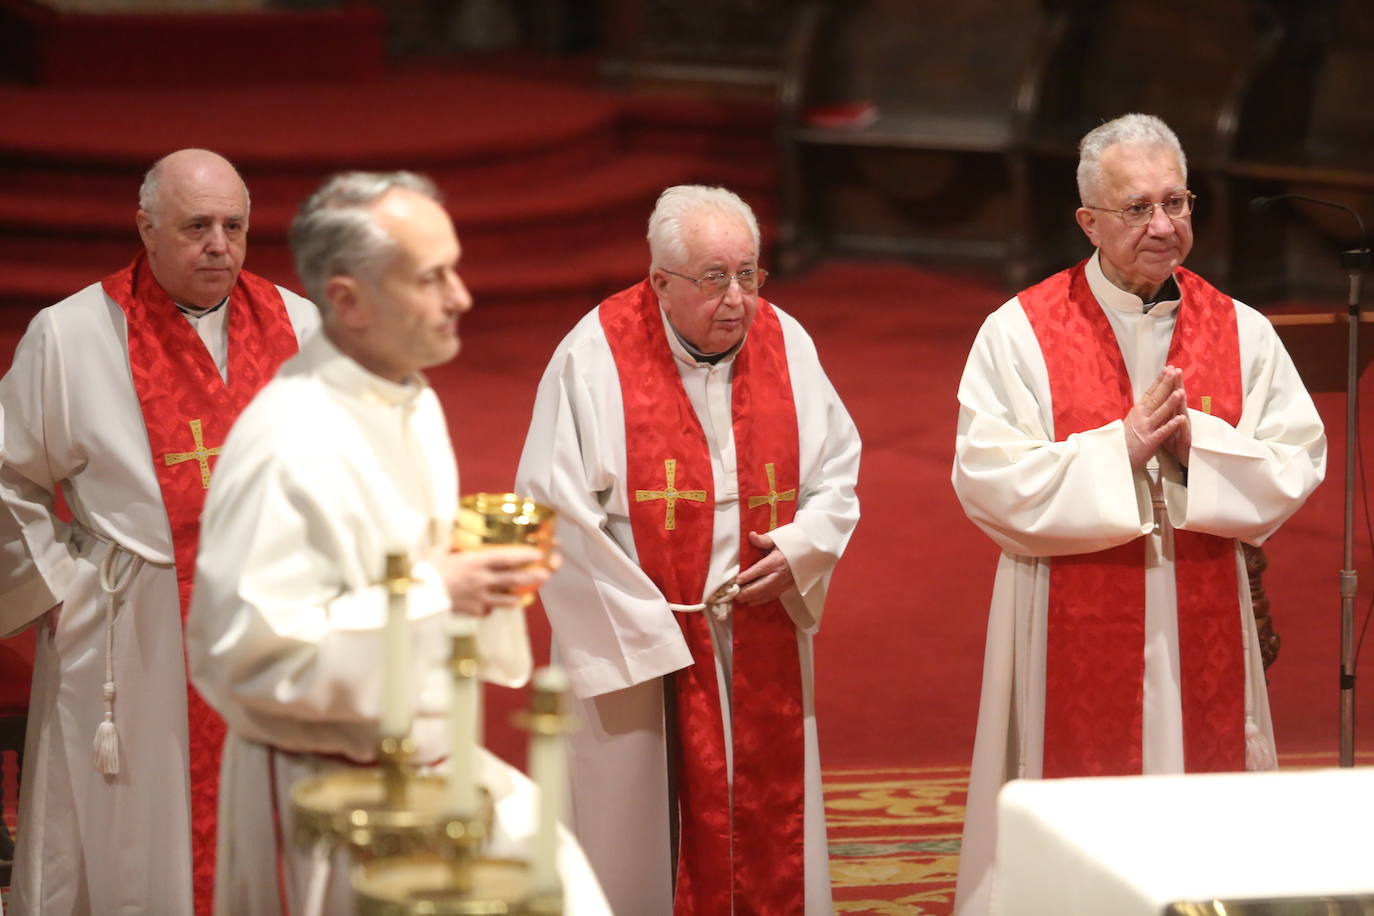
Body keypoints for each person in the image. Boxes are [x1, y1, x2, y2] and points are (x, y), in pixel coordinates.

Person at [186, 171, 610, 915]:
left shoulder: (408, 398)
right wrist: (438, 591)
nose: (461, 298)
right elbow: (245, 656)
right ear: (347, 300)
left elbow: (419, 573)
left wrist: (481, 582)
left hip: (433, 767)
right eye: (431, 278)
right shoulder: (288, 441)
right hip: (332, 801)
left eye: (455, 269)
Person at [950, 113, 1327, 915]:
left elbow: (1298, 459)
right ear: (1088, 221)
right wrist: (1113, 449)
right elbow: (986, 478)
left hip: (1203, 609)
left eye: (1177, 203)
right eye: (1137, 208)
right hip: (1068, 611)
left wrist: (1200, 450)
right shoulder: (1019, 332)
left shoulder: (1242, 330)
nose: (1163, 226)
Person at [515, 184, 861, 914]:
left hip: (756, 624)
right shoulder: (593, 356)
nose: (736, 298)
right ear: (661, 281)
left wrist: (800, 548)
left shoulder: (787, 341)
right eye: (713, 278)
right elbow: (554, 512)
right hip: (643, 639)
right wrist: (654, 622)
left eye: (749, 273)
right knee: (634, 824)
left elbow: (837, 470)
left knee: (767, 814)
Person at [0, 149, 319, 915]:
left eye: (234, 226)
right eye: (196, 226)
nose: (220, 244)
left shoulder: (301, 326)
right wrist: (56, 583)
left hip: (270, 624)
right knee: (137, 833)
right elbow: (9, 473)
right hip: (132, 622)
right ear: (146, 229)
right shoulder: (72, 335)